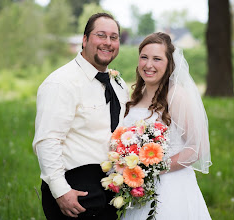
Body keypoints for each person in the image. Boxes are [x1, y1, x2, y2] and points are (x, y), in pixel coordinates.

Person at [32, 13, 129, 219]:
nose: (108, 43)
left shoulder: (118, 84)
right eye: (101, 35)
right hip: (75, 191)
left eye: (114, 37)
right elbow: (47, 140)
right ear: (84, 40)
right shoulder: (61, 83)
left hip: (109, 191)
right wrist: (61, 192)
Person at [122, 32, 212, 219]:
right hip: (138, 190)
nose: (148, 65)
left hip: (172, 189)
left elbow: (197, 147)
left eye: (157, 59)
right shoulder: (135, 96)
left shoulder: (176, 96)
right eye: (144, 57)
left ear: (169, 63)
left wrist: (151, 169)